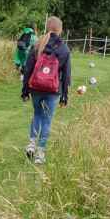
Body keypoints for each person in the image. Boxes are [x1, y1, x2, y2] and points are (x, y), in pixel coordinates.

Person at [21, 16, 71, 165]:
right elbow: (66, 75)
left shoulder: (37, 44)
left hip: (36, 87)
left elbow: (28, 68)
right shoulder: (63, 48)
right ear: (60, 30)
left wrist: (25, 90)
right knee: (47, 120)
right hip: (53, 90)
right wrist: (64, 96)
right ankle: (40, 154)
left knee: (37, 115)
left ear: (47, 27)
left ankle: (31, 144)